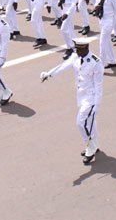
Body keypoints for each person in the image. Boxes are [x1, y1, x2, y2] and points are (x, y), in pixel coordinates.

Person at [41, 37, 105, 165]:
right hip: (81, 95)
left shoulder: (96, 63)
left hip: (91, 97)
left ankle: (90, 148)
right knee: (90, 121)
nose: (77, 52)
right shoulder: (76, 57)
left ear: (86, 49)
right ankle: (94, 144)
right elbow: (64, 66)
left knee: (81, 122)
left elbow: (99, 85)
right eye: (76, 49)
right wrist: (49, 74)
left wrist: (97, 103)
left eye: (79, 50)